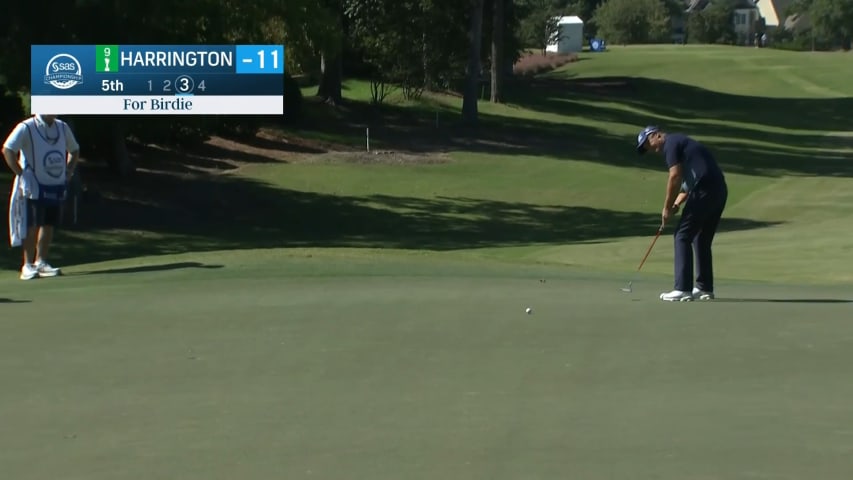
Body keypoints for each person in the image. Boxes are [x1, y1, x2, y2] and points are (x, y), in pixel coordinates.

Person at [636, 126, 728, 302]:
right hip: (718, 190)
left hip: (705, 189)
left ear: (656, 135)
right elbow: (687, 185)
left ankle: (682, 289)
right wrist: (675, 205)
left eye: (648, 143)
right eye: (646, 148)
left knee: (682, 235)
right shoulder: (682, 145)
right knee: (701, 239)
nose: (651, 149)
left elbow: (675, 177)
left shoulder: (670, 144)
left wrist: (666, 207)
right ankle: (704, 288)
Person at [3, 114, 80, 280]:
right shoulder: (26, 127)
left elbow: (74, 150)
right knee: (32, 224)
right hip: (34, 185)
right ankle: (27, 265)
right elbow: (8, 149)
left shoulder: (62, 127)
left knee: (48, 223)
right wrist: (21, 174)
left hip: (55, 184)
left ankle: (41, 262)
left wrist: (68, 172)